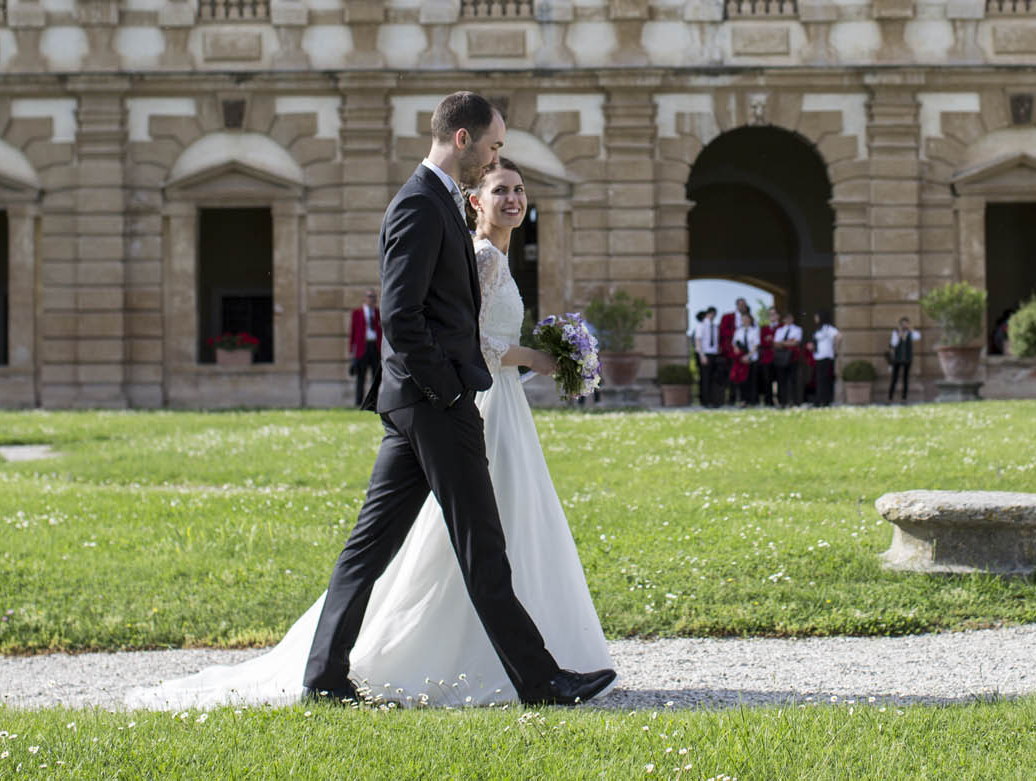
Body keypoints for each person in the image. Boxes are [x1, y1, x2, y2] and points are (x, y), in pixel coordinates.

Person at [130, 107, 614, 711]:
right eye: (492, 149)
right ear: (461, 139)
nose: (495, 160)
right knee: (482, 545)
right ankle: (541, 682)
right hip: (434, 403)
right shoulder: (418, 203)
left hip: (419, 404)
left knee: (369, 547)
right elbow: (402, 317)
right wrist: (449, 391)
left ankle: (323, 676)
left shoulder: (440, 200)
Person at [349, 287, 382, 407]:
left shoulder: (378, 313)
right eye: (369, 296)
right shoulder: (357, 313)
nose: (371, 299)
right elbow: (353, 333)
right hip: (362, 348)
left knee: (376, 377)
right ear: (364, 298)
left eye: (374, 297)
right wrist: (352, 352)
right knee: (361, 377)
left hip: (375, 347)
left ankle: (375, 403)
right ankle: (359, 402)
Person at [771, 310, 804, 408]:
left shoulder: (797, 329)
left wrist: (782, 342)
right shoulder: (779, 330)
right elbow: (776, 343)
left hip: (793, 358)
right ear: (784, 320)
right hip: (781, 358)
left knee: (794, 380)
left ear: (792, 319)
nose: (788, 320)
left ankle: (795, 401)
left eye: (790, 318)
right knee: (781, 381)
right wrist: (788, 342)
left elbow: (796, 342)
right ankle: (783, 402)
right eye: (786, 318)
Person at [691, 307, 722, 407]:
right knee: (705, 378)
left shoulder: (715, 327)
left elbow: (716, 340)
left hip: (713, 354)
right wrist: (702, 355)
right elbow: (698, 341)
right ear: (708, 314)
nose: (712, 316)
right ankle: (705, 401)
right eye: (711, 314)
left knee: (714, 379)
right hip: (704, 354)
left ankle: (714, 400)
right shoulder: (701, 325)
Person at [809, 311, 839, 406]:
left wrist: (835, 348)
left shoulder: (828, 328)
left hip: (826, 356)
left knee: (825, 379)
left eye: (817, 317)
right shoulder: (818, 329)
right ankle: (819, 399)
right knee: (819, 379)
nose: (815, 319)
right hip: (818, 356)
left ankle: (826, 400)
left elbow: (839, 336)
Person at [887, 317, 918, 402]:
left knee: (905, 379)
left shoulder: (910, 333)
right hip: (897, 359)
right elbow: (893, 344)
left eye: (906, 323)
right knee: (894, 378)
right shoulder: (895, 332)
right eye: (903, 324)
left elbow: (917, 337)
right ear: (900, 324)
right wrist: (899, 335)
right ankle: (890, 397)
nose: (904, 325)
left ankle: (904, 398)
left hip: (907, 359)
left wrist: (911, 330)